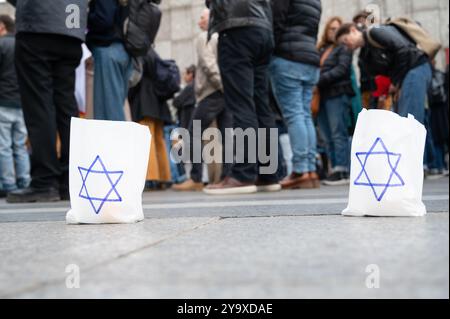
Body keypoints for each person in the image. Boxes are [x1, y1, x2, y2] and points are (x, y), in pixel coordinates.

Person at [6, 0, 87, 203]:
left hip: (38, 23)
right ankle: (71, 181)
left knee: (39, 106)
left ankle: (45, 181)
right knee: (67, 106)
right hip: (72, 28)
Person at [204, 0, 281, 195]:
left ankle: (243, 175)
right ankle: (267, 173)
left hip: (236, 26)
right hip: (263, 28)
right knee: (261, 104)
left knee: (241, 104)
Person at [173, 8, 232, 192]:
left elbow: (208, 64)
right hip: (224, 93)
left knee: (193, 132)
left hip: (211, 92)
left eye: (202, 18)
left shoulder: (204, 37)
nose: (199, 21)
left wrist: (221, 85)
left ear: (211, 19)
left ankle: (196, 178)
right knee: (226, 135)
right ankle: (226, 176)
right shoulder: (223, 38)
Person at [269, 0, 322, 190]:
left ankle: (300, 170)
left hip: (288, 57)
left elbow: (276, 23)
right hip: (310, 58)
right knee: (304, 115)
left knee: (294, 115)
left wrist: (269, 50)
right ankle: (310, 169)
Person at [336, 22, 433, 125]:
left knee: (411, 121)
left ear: (353, 30)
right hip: (409, 73)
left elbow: (403, 49)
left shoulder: (374, 32)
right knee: (418, 121)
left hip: (414, 68)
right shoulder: (365, 53)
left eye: (345, 40)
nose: (347, 45)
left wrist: (396, 82)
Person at [316, 17, 354, 186]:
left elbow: (342, 69)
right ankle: (334, 169)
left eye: (337, 29)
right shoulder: (322, 49)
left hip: (337, 94)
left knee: (338, 132)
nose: (334, 31)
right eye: (331, 28)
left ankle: (342, 169)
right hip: (322, 95)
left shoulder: (344, 47)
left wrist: (318, 80)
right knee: (326, 135)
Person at [128, 48, 173, 187]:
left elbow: (135, 78)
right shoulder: (154, 53)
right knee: (159, 140)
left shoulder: (140, 53)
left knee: (147, 140)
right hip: (158, 103)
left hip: (144, 103)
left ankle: (150, 177)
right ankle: (164, 176)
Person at [87, 0, 132, 121]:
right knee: (115, 109)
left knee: (108, 114)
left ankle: (117, 140)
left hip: (107, 50)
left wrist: (85, 15)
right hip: (124, 51)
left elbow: (104, 20)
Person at [0, 15, 30, 199]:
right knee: (20, 145)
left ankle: (9, 183)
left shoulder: (2, 45)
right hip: (23, 103)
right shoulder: (24, 45)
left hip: (3, 102)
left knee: (3, 146)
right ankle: (25, 181)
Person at [173, 65, 197, 131]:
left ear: (191, 74)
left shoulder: (190, 87)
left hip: (187, 119)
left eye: (185, 74)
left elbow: (177, 102)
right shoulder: (197, 85)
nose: (184, 77)